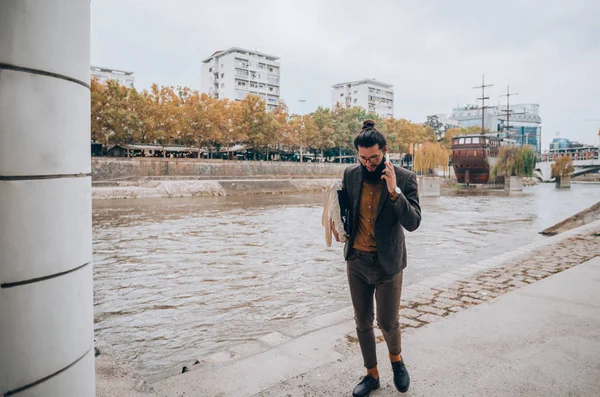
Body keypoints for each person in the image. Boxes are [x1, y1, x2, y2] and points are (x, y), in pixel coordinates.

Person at [333, 120, 421, 396]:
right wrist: (338, 226)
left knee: (388, 321)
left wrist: (394, 191)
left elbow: (413, 222)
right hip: (357, 260)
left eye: (374, 158)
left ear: (385, 151)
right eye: (363, 158)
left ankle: (396, 361)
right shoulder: (351, 174)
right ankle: (371, 374)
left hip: (389, 264)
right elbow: (346, 209)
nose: (369, 164)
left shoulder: (405, 178)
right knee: (362, 321)